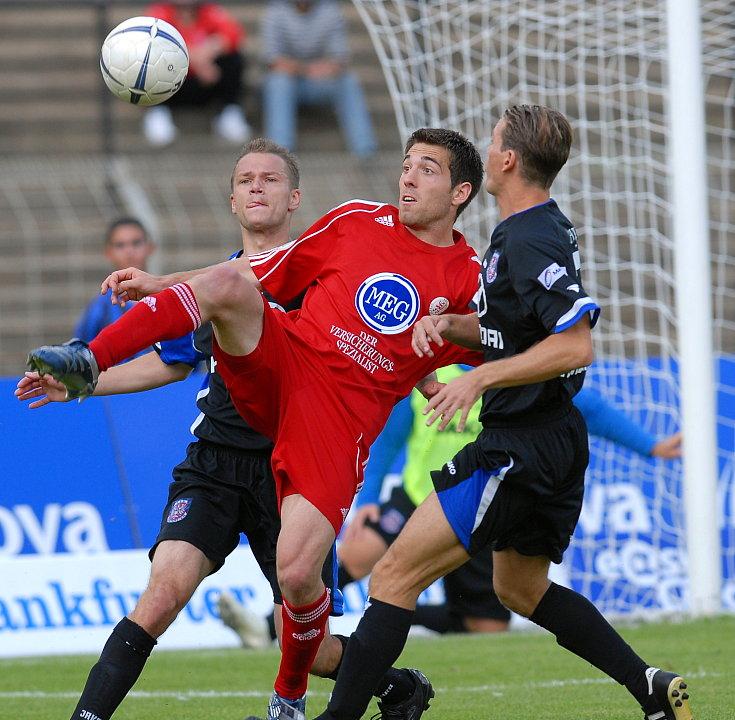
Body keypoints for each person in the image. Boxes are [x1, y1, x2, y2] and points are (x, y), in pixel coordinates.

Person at [26, 127, 486, 720]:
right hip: (250, 414)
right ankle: (88, 355)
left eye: (426, 168)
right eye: (406, 164)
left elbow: (483, 343)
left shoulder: (466, 277)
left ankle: (308, 699)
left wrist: (449, 349)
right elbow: (207, 316)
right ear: (232, 198)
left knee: (299, 586)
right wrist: (110, 350)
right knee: (162, 593)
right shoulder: (347, 226)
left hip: (326, 428)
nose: (407, 176)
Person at [308, 105, 693, 720]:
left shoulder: (528, 234)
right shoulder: (527, 230)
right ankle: (648, 686)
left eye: (492, 145)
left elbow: (573, 343)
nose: (488, 153)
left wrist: (480, 379)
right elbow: (511, 333)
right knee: (518, 588)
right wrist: (452, 327)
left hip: (518, 446)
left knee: (392, 578)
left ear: (507, 160)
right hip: (551, 440)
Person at [336, 374, 682, 637]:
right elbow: (386, 442)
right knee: (360, 552)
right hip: (417, 497)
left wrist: (650, 446)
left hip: (478, 507)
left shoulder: (510, 377)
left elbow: (590, 408)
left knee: (487, 628)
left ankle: (416, 616)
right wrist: (367, 500)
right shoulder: (432, 375)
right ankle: (292, 620)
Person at [261, 0, 377, 158]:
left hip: (320, 81)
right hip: (289, 82)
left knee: (348, 81)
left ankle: (365, 150)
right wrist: (306, 69)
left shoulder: (331, 9)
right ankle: (280, 155)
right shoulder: (275, 10)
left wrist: (322, 69)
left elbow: (340, 59)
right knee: (278, 82)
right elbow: (273, 61)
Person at [143, 0, 251, 146]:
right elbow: (153, 40)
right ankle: (157, 113)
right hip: (172, 87)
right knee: (152, 58)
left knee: (234, 58)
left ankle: (228, 112)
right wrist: (195, 60)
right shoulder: (160, 12)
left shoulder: (210, 12)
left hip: (207, 84)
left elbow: (233, 33)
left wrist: (211, 48)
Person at [74, 217, 154, 349]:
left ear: (150, 247)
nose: (129, 251)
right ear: (108, 253)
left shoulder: (169, 297)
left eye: (136, 243)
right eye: (120, 245)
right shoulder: (100, 310)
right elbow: (82, 353)